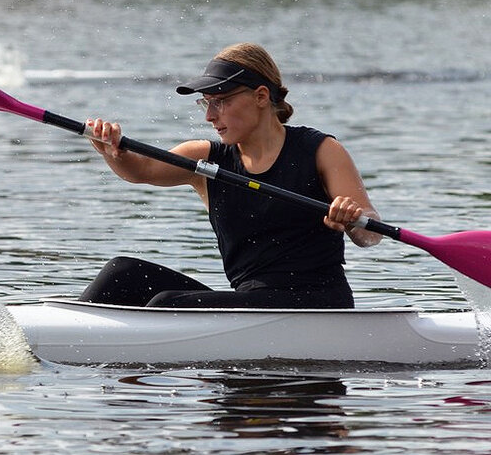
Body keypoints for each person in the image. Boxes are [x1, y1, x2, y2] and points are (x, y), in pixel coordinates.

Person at [81, 42, 382, 309]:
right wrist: (112, 151)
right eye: (206, 102)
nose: (210, 115)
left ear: (261, 96)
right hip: (252, 302)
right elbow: (141, 170)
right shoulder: (206, 159)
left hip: (317, 304)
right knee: (121, 274)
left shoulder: (321, 150)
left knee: (166, 304)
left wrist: (353, 221)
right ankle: (63, 342)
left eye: (220, 101)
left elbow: (372, 233)